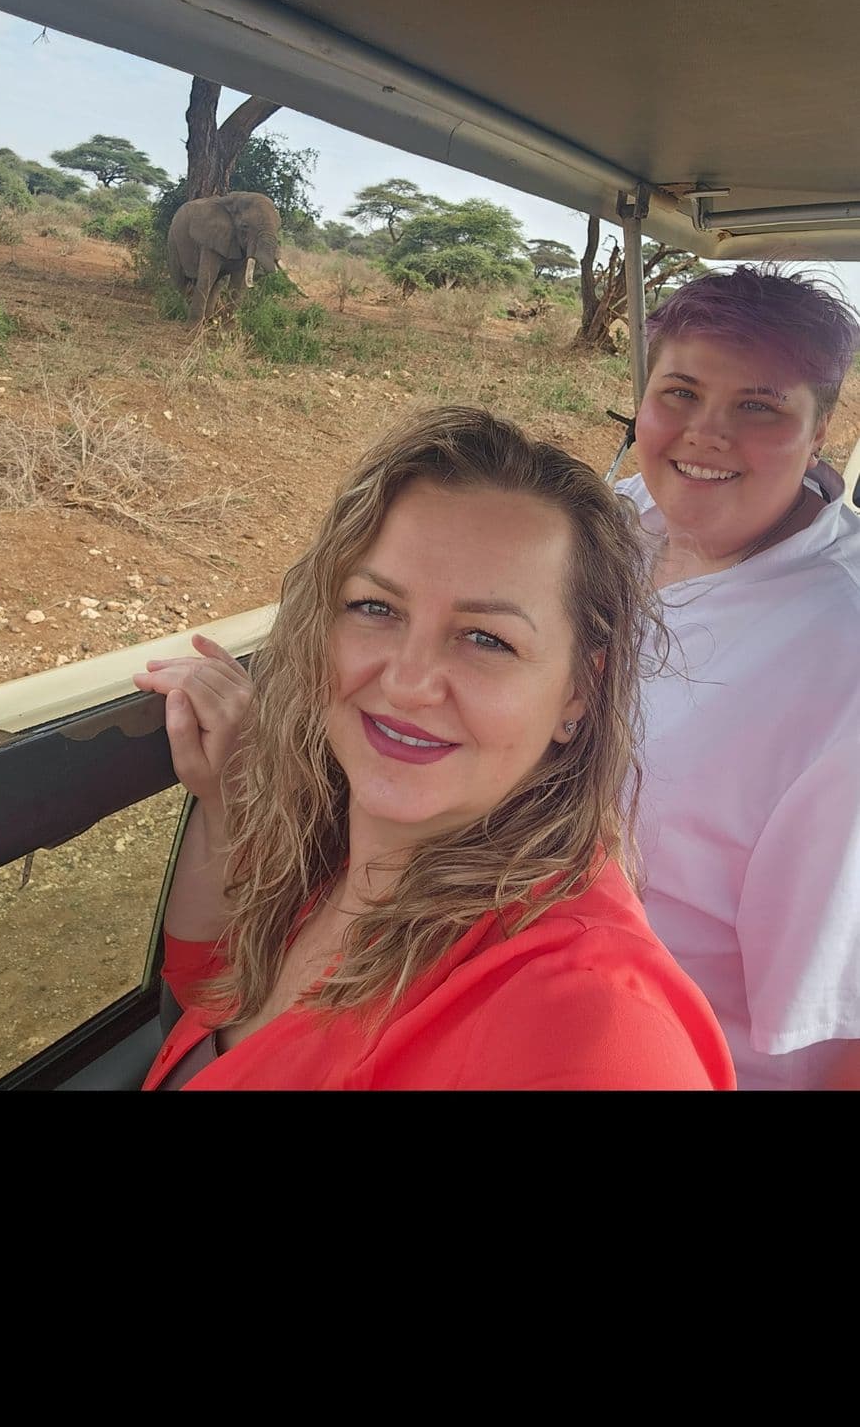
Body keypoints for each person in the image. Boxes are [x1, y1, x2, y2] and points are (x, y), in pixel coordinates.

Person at [133, 405, 734, 1091]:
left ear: (576, 694)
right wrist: (226, 797)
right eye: (375, 608)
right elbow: (214, 991)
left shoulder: (589, 1025)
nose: (408, 682)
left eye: (486, 639)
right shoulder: (343, 852)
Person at [616, 263, 860, 1090]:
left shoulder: (842, 653)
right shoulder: (608, 525)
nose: (704, 435)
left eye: (757, 406)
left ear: (818, 429)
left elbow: (843, 1015)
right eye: (679, 393)